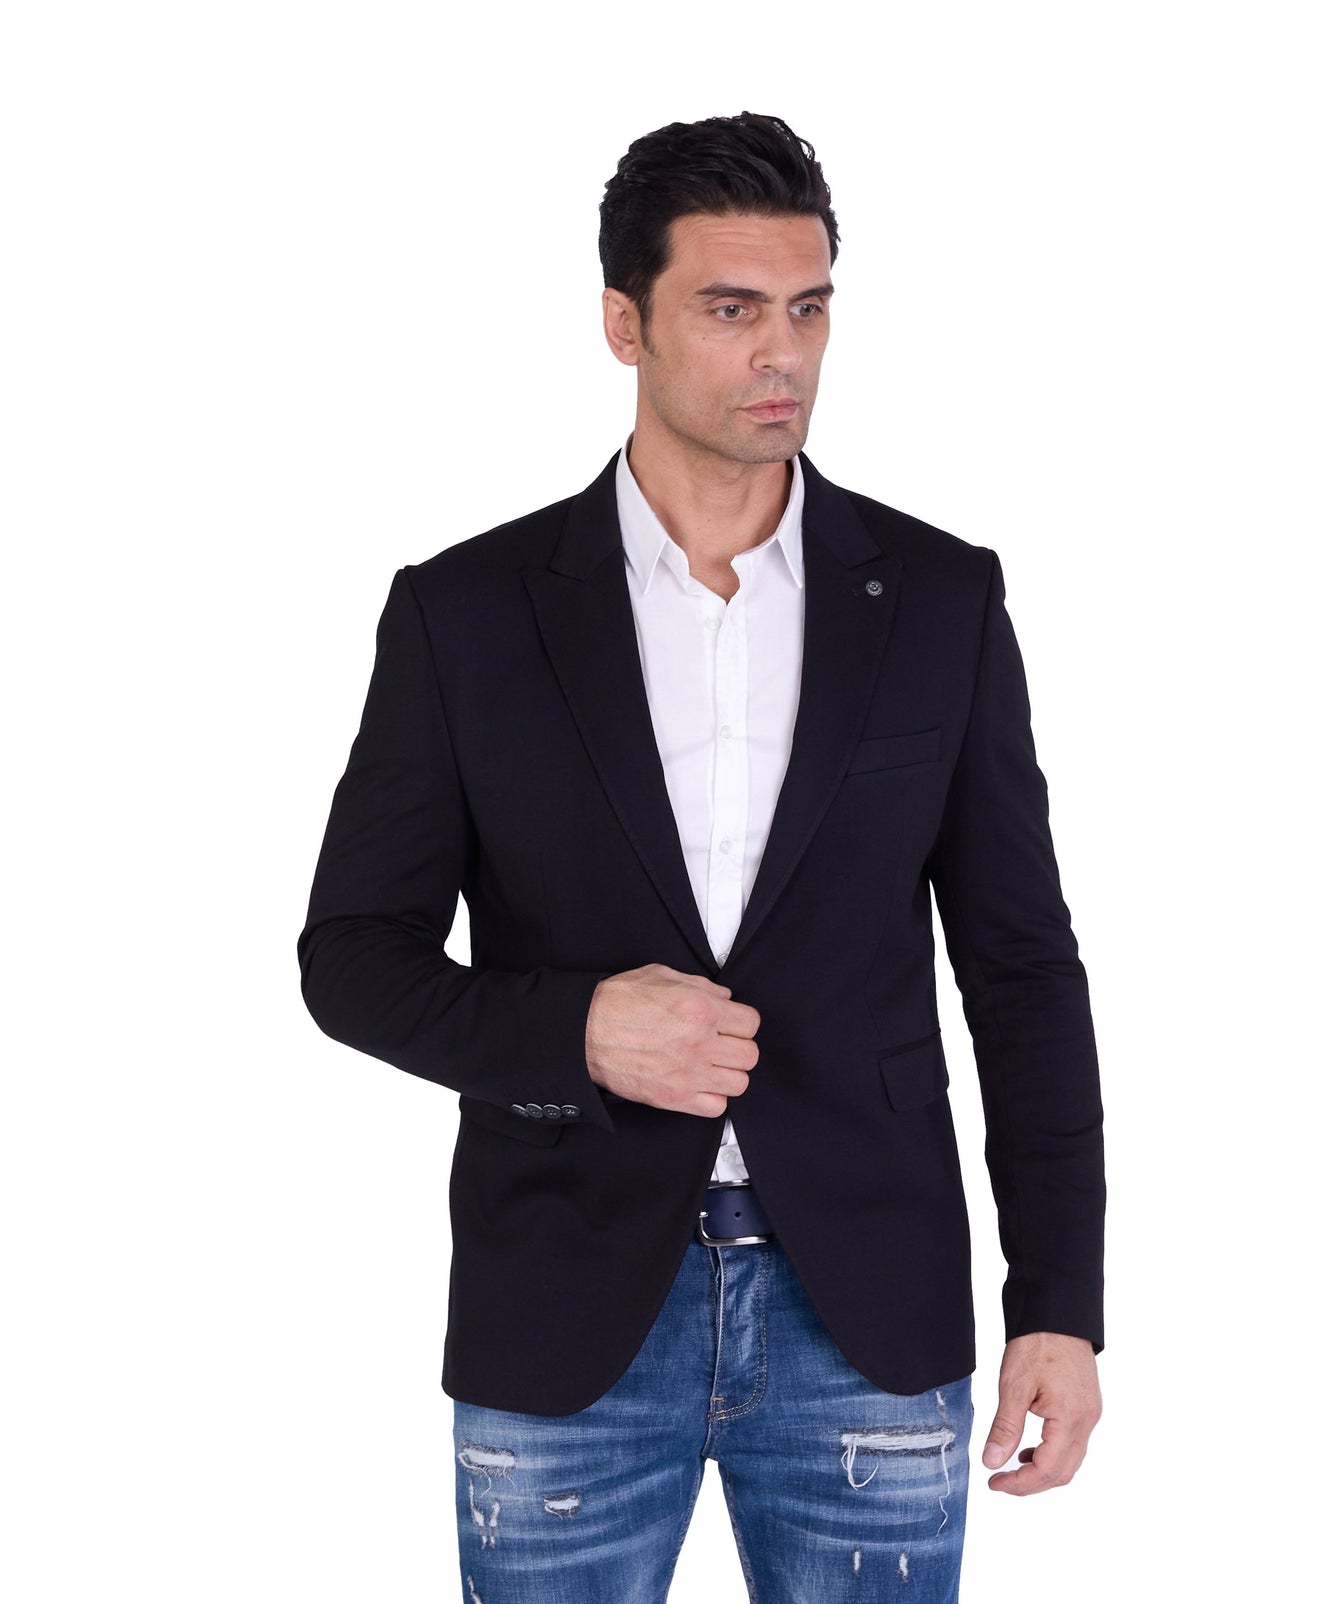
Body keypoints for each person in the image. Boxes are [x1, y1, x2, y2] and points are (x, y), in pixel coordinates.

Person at [298, 110, 1105, 1604]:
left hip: (868, 1304)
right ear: (626, 323)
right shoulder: (465, 614)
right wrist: (577, 1030)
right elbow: (351, 959)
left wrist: (1059, 1301)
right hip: (566, 1303)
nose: (780, 355)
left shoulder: (938, 599)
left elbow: (1021, 968)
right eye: (731, 311)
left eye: (808, 310)